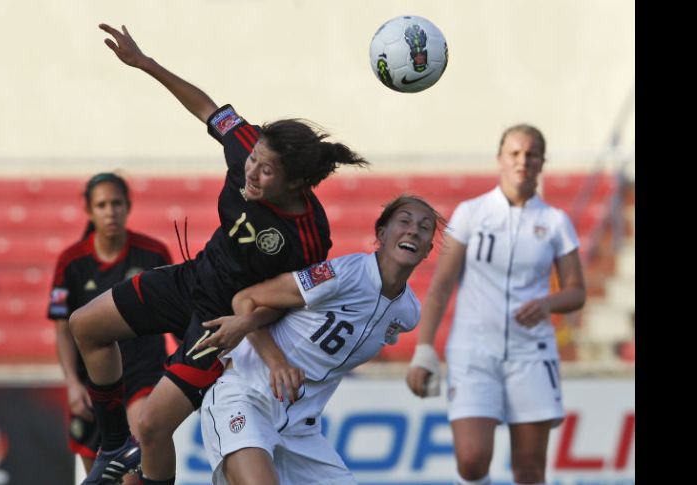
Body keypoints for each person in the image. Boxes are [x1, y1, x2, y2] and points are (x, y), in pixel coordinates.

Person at [68, 23, 370, 485]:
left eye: (266, 171)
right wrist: (145, 63)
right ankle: (111, 446)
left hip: (220, 324)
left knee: (151, 424)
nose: (252, 172)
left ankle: (131, 450)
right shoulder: (248, 145)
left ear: (295, 183)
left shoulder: (309, 237)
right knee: (84, 325)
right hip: (192, 277)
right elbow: (207, 108)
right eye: (253, 160)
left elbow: (290, 300)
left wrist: (247, 325)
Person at [194, 196, 446, 485]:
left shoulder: (407, 313)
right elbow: (245, 299)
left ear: (428, 250)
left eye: (424, 227)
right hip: (247, 395)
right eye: (404, 221)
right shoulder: (342, 275)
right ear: (381, 233)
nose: (413, 230)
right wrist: (277, 363)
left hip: (301, 430)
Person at [405, 124, 586, 485]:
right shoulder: (471, 213)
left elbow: (577, 291)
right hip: (473, 352)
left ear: (541, 162)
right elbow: (441, 286)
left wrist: (547, 303)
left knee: (530, 469)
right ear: (500, 159)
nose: (523, 160)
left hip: (531, 353)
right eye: (515, 153)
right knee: (471, 461)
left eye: (531, 154)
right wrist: (424, 348)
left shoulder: (554, 221)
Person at [48, 173, 172, 484]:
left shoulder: (153, 253)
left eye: (116, 203)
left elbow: (176, 315)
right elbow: (63, 329)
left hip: (144, 374)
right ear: (89, 211)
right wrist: (73, 384)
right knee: (101, 477)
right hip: (96, 382)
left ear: (128, 207)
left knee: (134, 464)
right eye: (101, 205)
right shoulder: (72, 262)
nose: (110, 211)